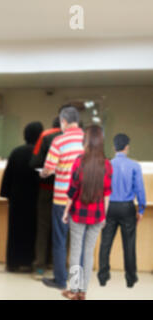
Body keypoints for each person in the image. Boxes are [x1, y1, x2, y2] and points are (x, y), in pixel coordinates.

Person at [61, 125, 112, 300]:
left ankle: (73, 291)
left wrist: (66, 211)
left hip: (78, 213)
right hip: (97, 215)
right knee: (89, 252)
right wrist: (104, 215)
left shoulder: (79, 162)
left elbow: (72, 190)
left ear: (87, 140)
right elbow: (107, 194)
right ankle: (83, 292)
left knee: (76, 251)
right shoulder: (107, 165)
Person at [40, 106, 84, 290]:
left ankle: (60, 280)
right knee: (79, 241)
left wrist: (44, 173)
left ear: (63, 121)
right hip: (83, 198)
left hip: (62, 199)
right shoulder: (88, 140)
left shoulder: (59, 141)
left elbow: (48, 169)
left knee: (60, 240)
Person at [98, 133, 146, 288]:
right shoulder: (135, 166)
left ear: (114, 147)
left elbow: (100, 189)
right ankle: (131, 278)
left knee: (105, 243)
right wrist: (141, 209)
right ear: (127, 147)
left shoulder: (106, 164)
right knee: (129, 244)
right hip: (127, 208)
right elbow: (140, 189)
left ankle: (103, 277)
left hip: (109, 207)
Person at [0, 121, 43, 272]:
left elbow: (7, 177)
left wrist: (5, 194)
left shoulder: (16, 152)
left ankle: (13, 262)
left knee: (15, 232)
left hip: (17, 199)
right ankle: (29, 262)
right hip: (35, 200)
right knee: (32, 232)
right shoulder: (41, 154)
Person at [29, 117, 62, 279]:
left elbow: (34, 162)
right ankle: (58, 265)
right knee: (63, 228)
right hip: (67, 191)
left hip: (47, 189)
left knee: (43, 227)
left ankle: (40, 267)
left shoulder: (46, 136)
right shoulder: (75, 138)